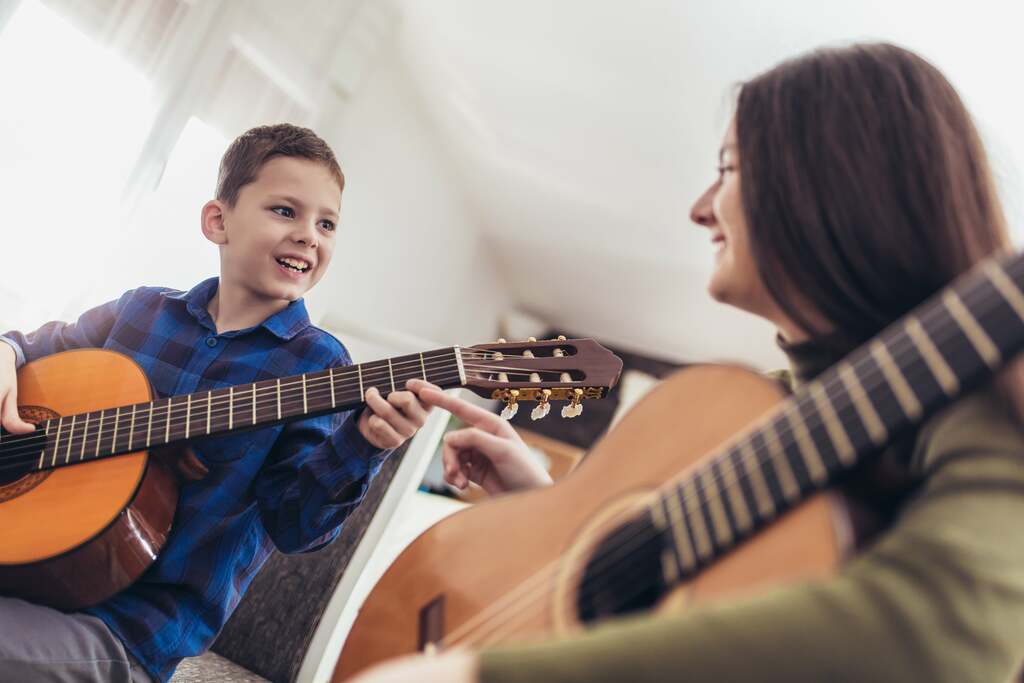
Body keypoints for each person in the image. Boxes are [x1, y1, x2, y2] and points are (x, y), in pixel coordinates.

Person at [355, 43, 1024, 682]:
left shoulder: (988, 406)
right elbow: (703, 590)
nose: (700, 209)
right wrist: (551, 515)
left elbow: (935, 639)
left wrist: (479, 674)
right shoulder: (767, 401)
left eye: (728, 170)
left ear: (829, 185)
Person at [0, 124, 433, 682]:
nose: (309, 235)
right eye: (285, 210)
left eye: (326, 223)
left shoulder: (318, 367)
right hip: (23, 571)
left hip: (124, 632)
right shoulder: (141, 310)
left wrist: (365, 444)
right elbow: (35, 352)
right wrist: (6, 351)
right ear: (218, 221)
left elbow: (298, 525)